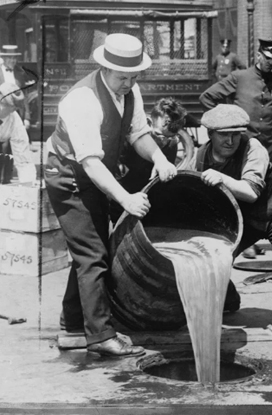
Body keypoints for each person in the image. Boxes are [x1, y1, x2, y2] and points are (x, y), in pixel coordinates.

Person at [44, 33, 177, 357]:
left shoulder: (129, 91)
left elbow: (138, 133)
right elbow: (90, 163)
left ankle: (73, 326)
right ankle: (101, 335)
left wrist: (159, 158)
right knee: (92, 253)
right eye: (122, 78)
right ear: (104, 68)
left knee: (92, 249)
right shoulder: (82, 100)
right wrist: (125, 199)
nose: (128, 84)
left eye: (134, 77)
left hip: (92, 173)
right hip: (68, 174)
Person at [188, 103, 272, 351]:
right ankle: (229, 298)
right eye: (223, 135)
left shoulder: (253, 148)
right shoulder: (201, 156)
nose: (230, 141)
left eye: (236, 134)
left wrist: (222, 178)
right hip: (244, 218)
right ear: (210, 134)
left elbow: (251, 192)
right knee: (212, 256)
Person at [199, 38, 272, 168]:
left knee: (269, 178)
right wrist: (222, 124)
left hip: (267, 148)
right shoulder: (239, 77)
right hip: (241, 147)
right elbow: (206, 97)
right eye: (267, 58)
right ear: (258, 56)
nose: (271, 63)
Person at [110, 97, 195, 223]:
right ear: (149, 123)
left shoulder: (171, 143)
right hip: (124, 195)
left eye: (170, 137)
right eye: (159, 135)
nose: (163, 141)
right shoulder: (131, 142)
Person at [0, 82, 35, 183]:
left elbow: (22, 156)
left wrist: (27, 185)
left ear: (13, 109)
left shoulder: (14, 121)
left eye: (2, 104)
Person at [0, 45, 32, 130]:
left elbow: (25, 96)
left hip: (17, 114)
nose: (12, 61)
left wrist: (27, 117)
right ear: (3, 58)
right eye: (9, 58)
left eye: (14, 58)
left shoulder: (20, 73)